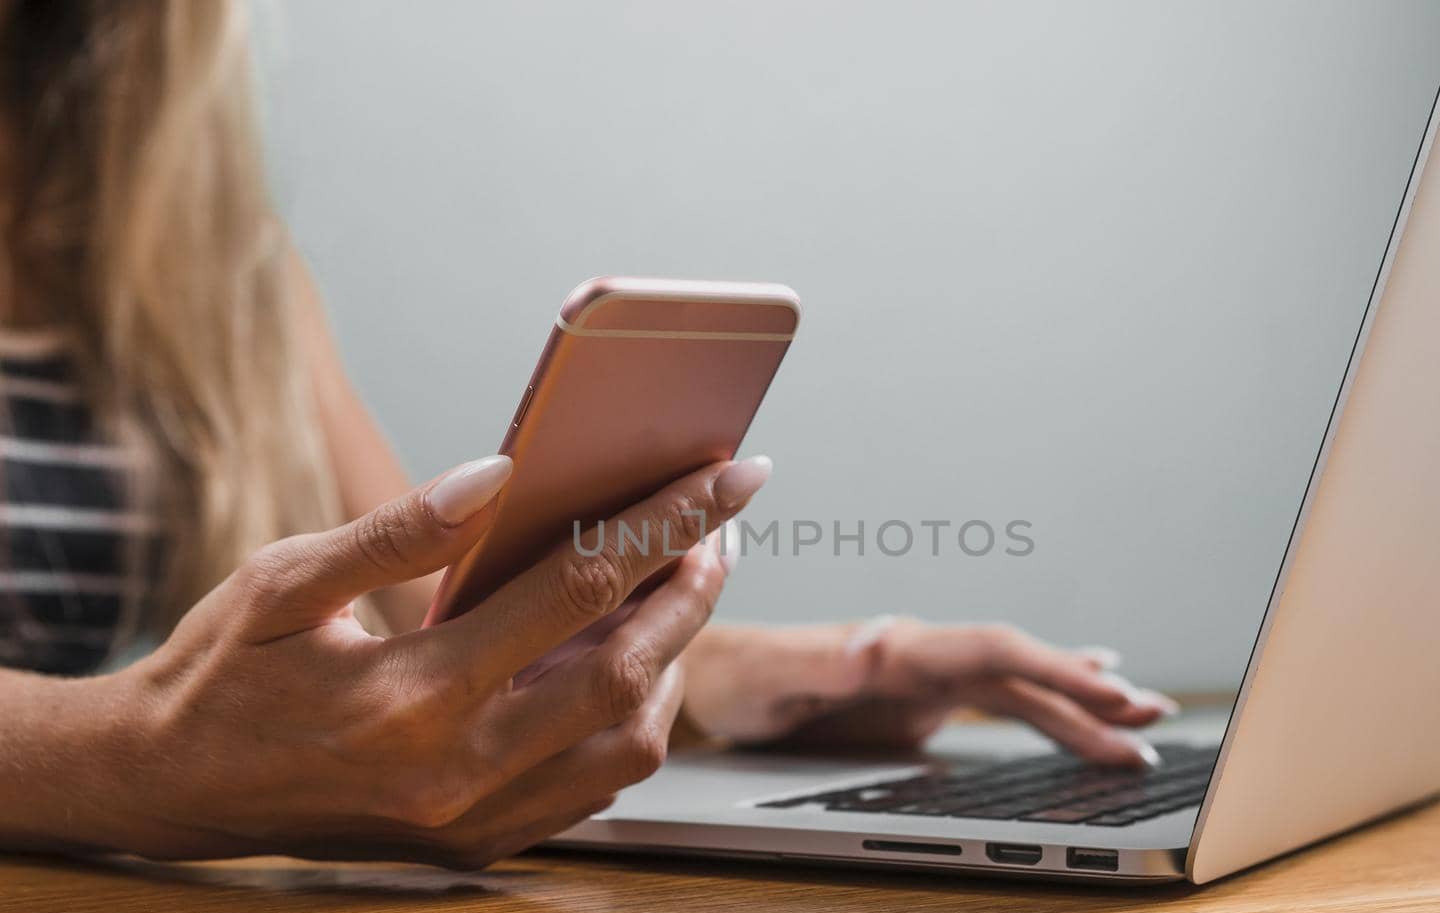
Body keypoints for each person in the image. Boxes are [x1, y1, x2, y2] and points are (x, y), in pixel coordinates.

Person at [0, 1, 1175, 868]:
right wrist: (134, 750)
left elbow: (434, 637)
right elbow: (170, 736)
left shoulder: (211, 260)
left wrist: (803, 671)